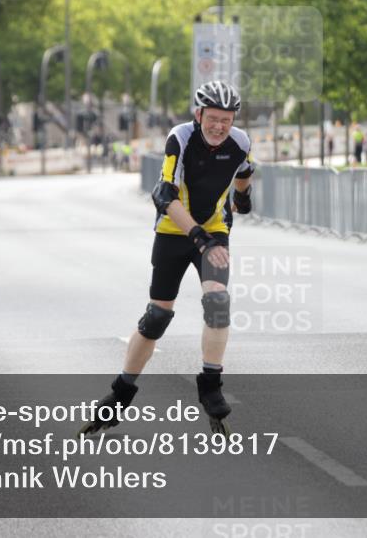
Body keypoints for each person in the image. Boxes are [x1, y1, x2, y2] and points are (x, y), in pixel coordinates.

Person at [81, 81, 254, 435]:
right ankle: (120, 394)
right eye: (213, 118)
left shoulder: (240, 142)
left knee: (218, 302)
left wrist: (244, 197)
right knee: (158, 315)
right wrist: (197, 236)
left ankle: (210, 386)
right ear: (198, 114)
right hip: (175, 232)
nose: (220, 126)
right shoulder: (181, 137)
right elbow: (164, 194)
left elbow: (245, 171)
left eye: (227, 119)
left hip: (214, 230)